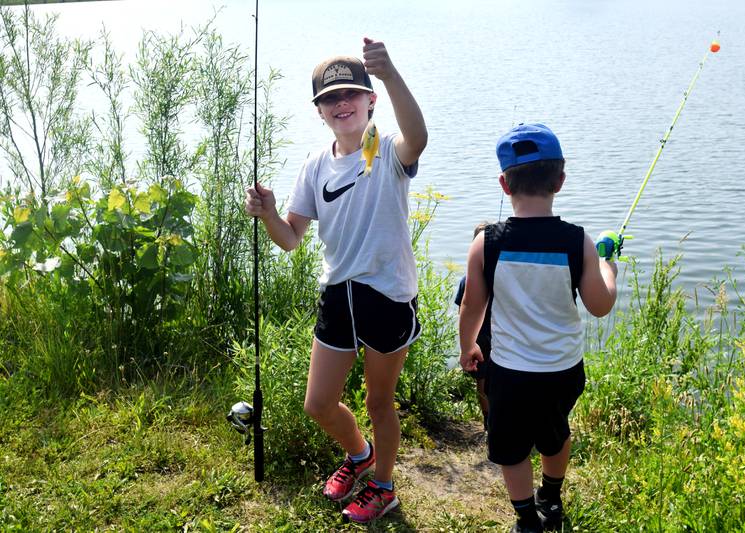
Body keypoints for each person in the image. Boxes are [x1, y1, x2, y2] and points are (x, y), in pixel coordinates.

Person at [245, 38, 427, 523]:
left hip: (387, 295)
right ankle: (359, 454)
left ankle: (383, 486)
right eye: (330, 98)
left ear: (371, 101)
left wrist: (389, 72)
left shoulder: (386, 150)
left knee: (378, 400)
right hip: (337, 295)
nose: (341, 103)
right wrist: (266, 213)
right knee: (319, 403)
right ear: (320, 112)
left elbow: (418, 137)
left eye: (351, 94)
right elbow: (289, 238)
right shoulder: (314, 165)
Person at [458, 123, 618, 533]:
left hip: (509, 372)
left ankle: (527, 519)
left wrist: (468, 347)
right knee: (554, 433)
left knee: (512, 450)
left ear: (503, 184)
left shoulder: (486, 243)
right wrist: (609, 268)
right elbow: (600, 306)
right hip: (563, 371)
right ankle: (551, 496)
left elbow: (472, 307)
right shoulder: (576, 240)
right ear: (559, 182)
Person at [454, 222, 491, 431]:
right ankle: (490, 419)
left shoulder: (467, 279)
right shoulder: (498, 275)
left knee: (483, 381)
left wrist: (465, 343)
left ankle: (488, 421)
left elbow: (463, 312)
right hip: (489, 338)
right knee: (487, 381)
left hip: (479, 338)